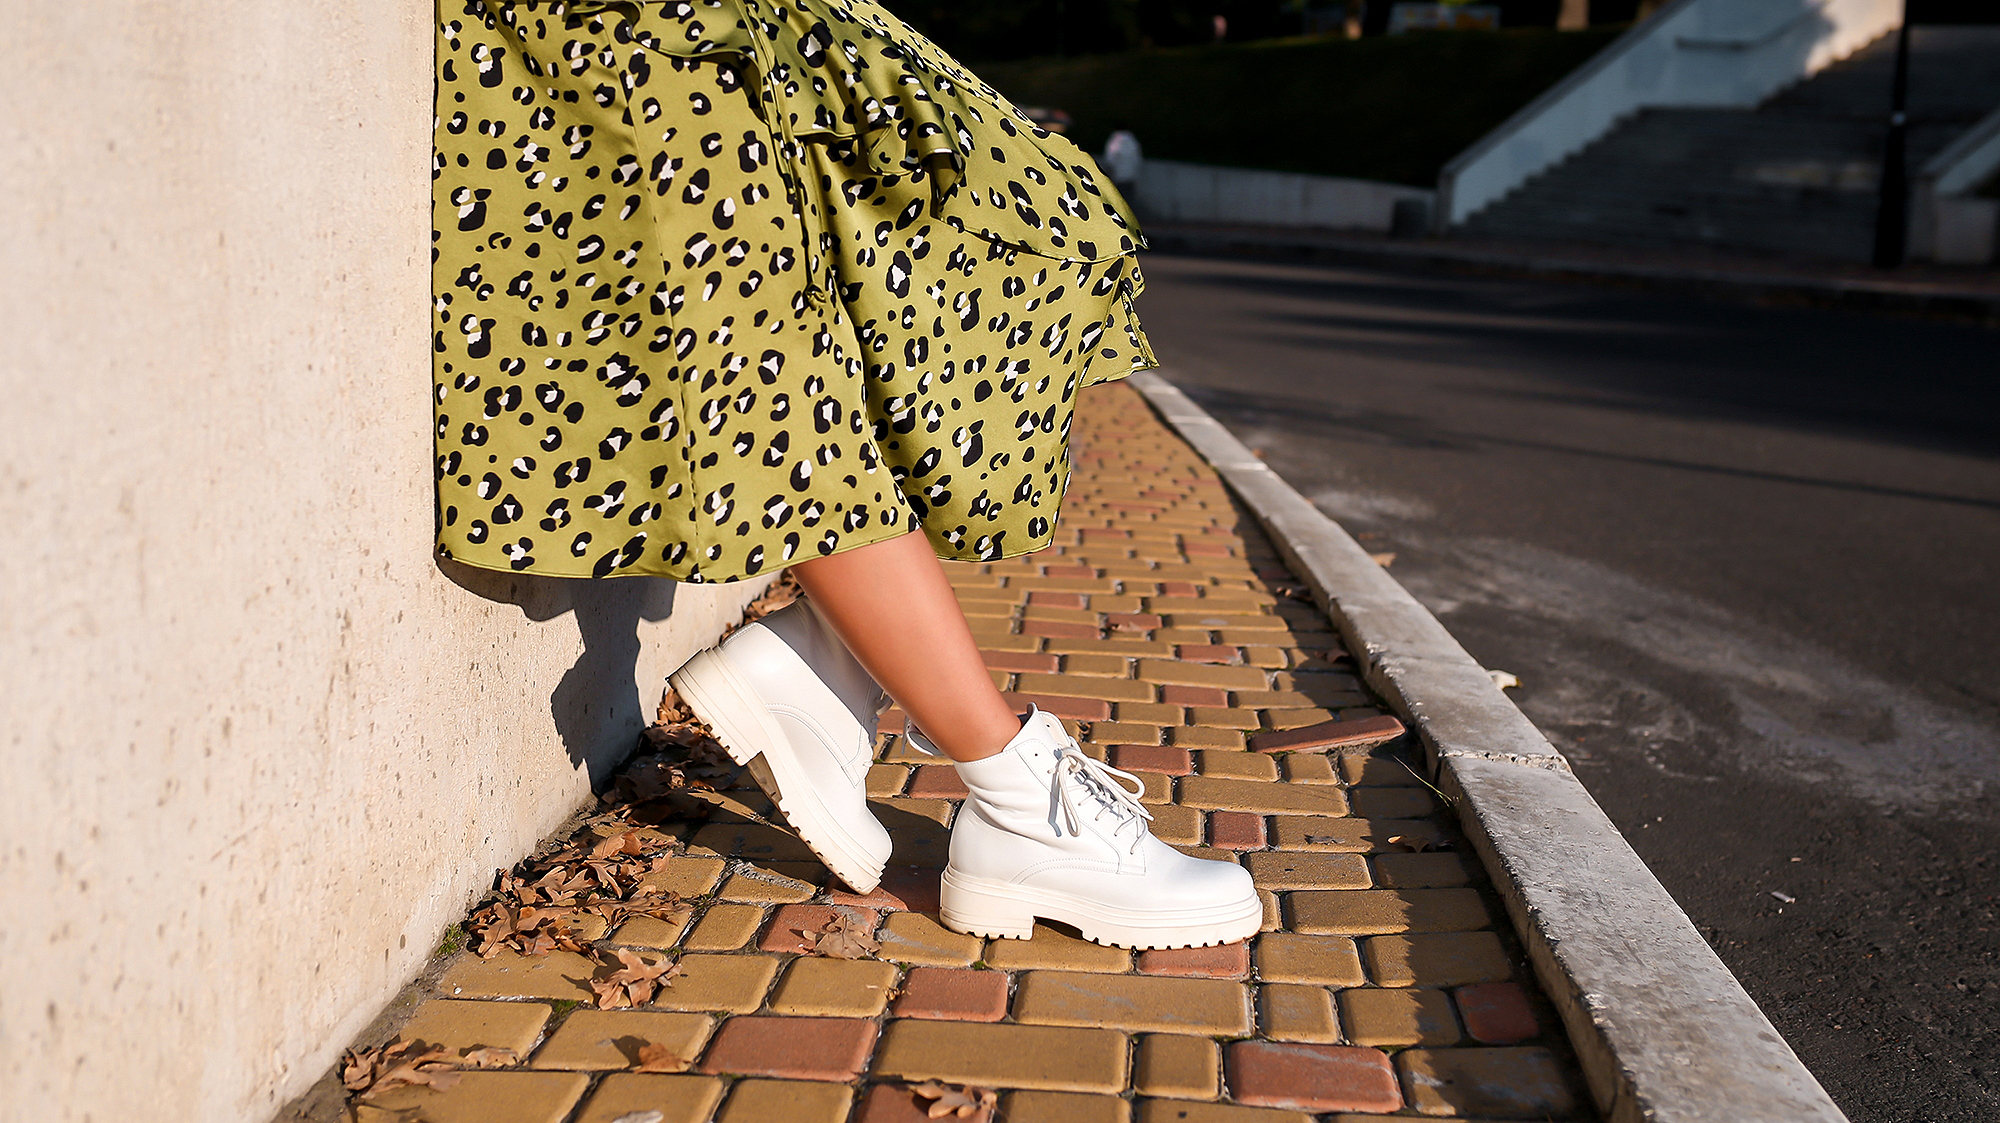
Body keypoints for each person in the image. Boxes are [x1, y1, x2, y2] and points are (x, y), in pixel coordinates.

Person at [433, 0, 1260, 950]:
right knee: (776, 370)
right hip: (627, 31)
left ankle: (825, 657)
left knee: (984, 238)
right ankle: (1015, 800)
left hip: (746, 23)